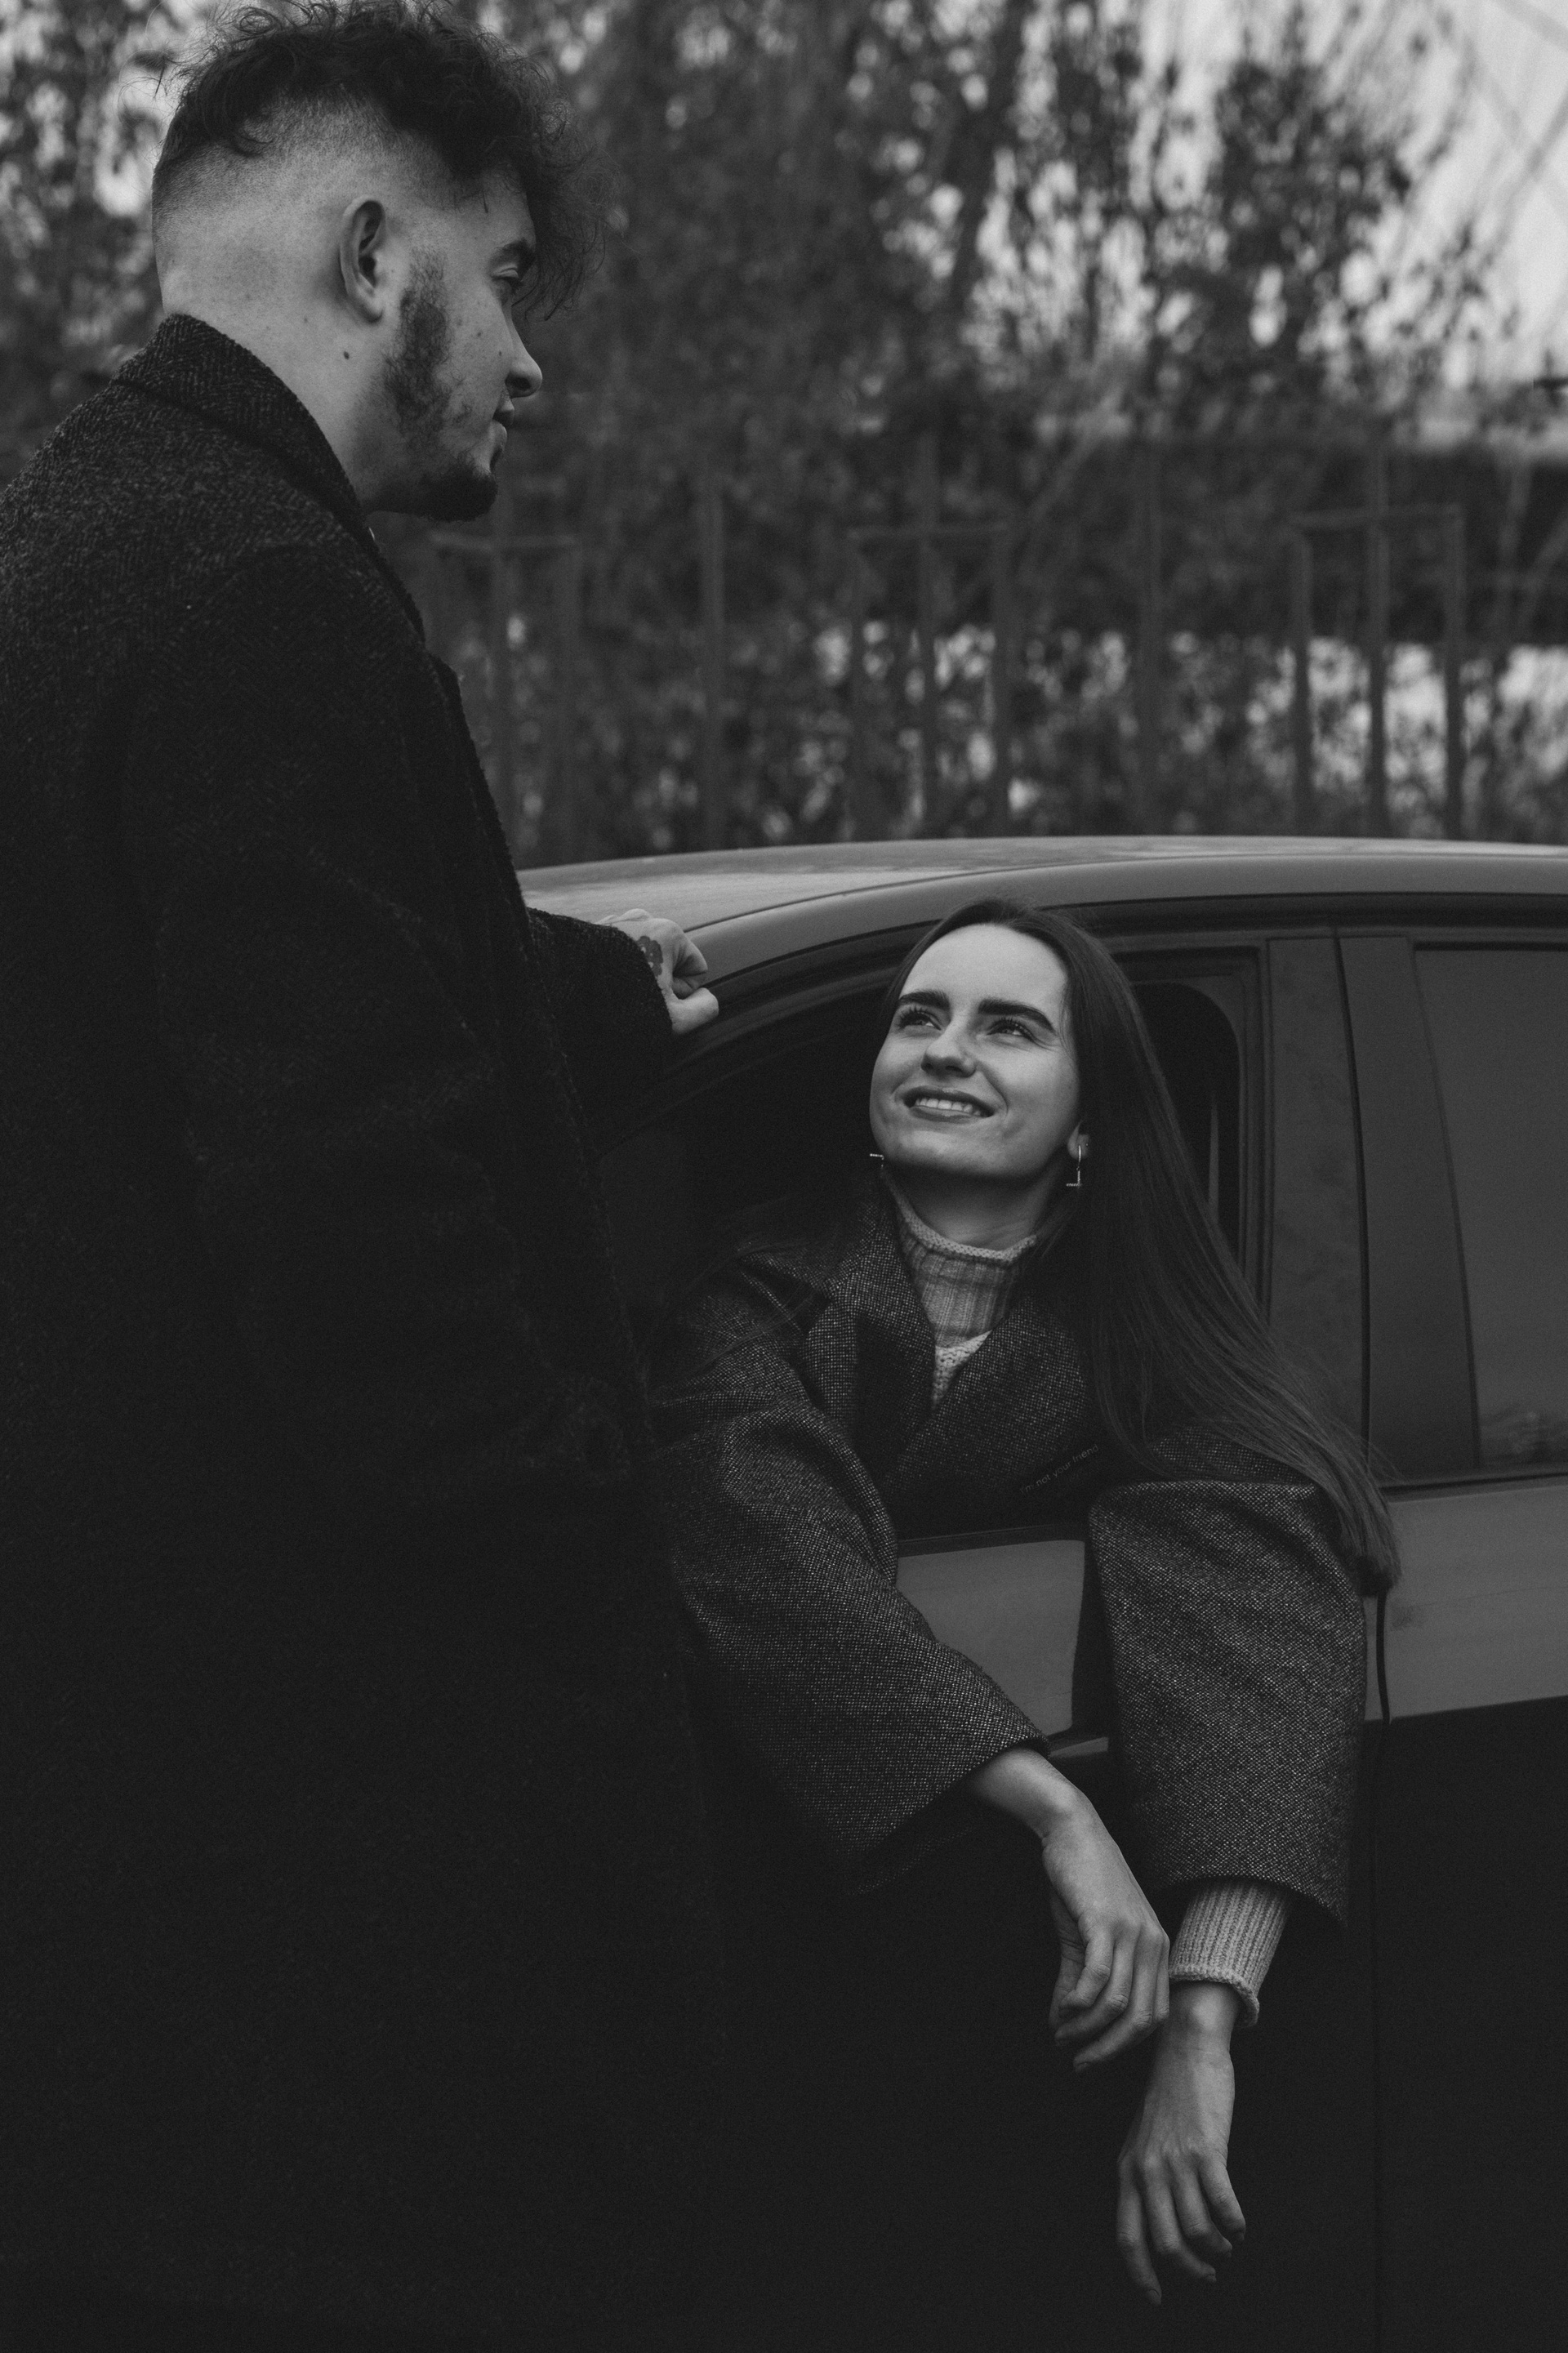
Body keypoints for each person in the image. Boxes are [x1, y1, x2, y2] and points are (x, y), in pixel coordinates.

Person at [0, 4, 724, 2347]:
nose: (529, 360)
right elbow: (362, 1249)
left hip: (112, 1899)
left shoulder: (72, 546)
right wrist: (585, 1541)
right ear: (376, 253)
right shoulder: (263, 600)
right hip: (319, 1906)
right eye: (508, 280)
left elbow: (181, 994)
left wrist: (583, 999)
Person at [653, 899, 1390, 2347]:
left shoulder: (1154, 1347)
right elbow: (766, 1550)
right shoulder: (746, 1298)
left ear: (1088, 1117)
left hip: (1029, 2049)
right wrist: (1059, 1812)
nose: (947, 1050)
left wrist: (1205, 2013)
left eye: (1009, 1027)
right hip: (764, 1975)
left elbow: (1260, 1628)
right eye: (919, 1019)